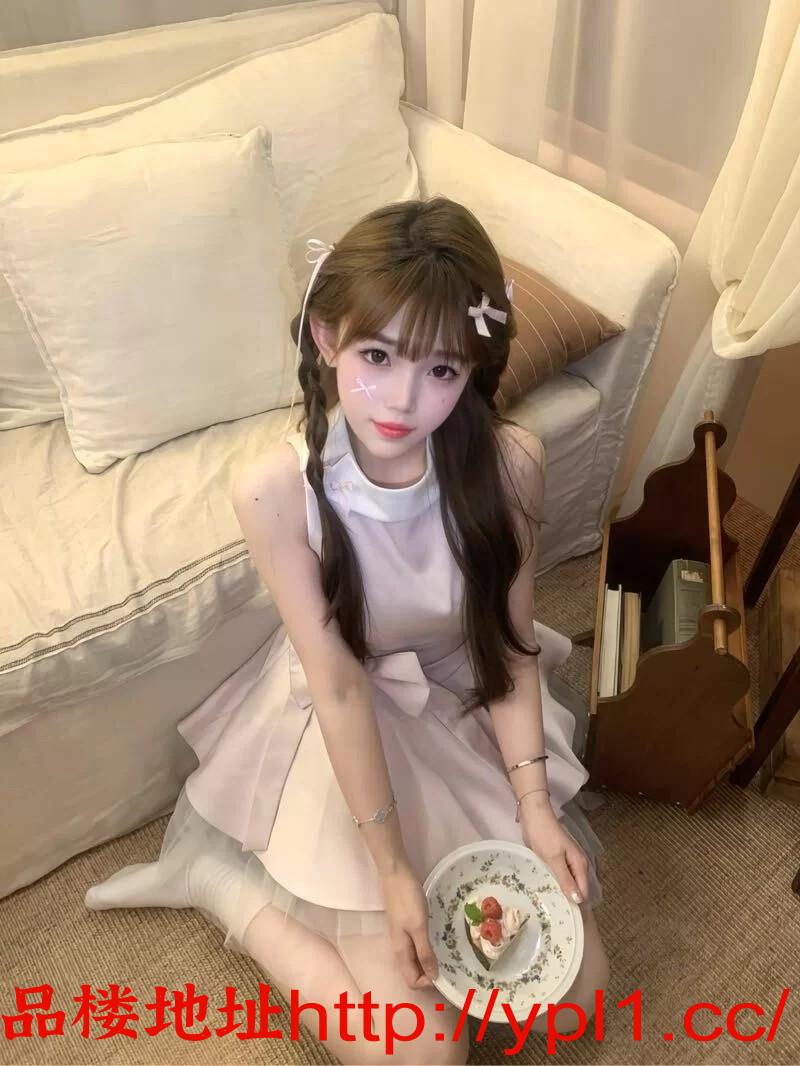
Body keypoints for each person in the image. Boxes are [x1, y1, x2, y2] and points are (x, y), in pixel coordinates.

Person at [85, 196, 610, 1064]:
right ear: (327, 340)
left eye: (441, 370)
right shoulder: (275, 490)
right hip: (345, 728)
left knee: (571, 1004)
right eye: (377, 356)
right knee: (425, 1053)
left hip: (463, 703)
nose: (403, 399)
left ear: (472, 367)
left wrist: (532, 808)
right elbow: (336, 687)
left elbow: (512, 652)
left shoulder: (511, 463)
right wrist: (393, 871)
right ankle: (223, 887)